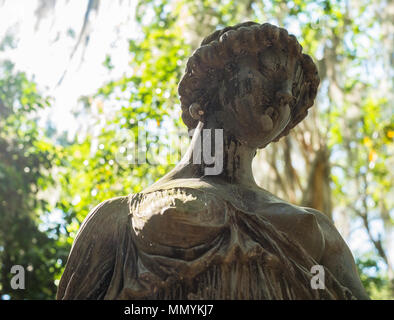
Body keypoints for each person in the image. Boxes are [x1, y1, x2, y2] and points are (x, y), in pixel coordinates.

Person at [57, 21, 369, 300]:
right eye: (268, 69)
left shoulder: (316, 228)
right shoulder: (118, 218)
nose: (286, 93)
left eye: (295, 89)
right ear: (207, 90)